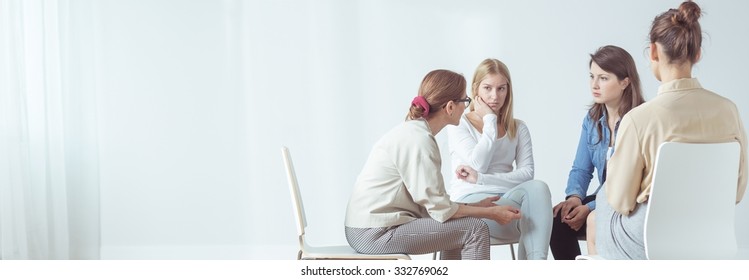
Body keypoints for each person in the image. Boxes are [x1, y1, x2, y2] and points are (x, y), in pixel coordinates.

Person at [588, 0, 747, 259]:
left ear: (652, 52)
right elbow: (737, 192)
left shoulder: (639, 119)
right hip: (712, 236)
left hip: (651, 242)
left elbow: (621, 202)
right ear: (697, 54)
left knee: (606, 198)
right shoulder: (729, 110)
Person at [344, 69, 522, 260]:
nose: (466, 108)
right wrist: (490, 213)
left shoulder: (416, 133)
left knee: (461, 226)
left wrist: (475, 205)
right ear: (450, 107)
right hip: (374, 233)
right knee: (474, 229)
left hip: (369, 227)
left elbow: (436, 204)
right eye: (465, 101)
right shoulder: (419, 141)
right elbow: (441, 210)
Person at [447, 58, 552, 260]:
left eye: (501, 89)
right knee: (534, 217)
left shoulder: (519, 128)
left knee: (538, 188)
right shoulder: (459, 124)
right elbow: (479, 163)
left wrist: (481, 178)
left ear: (508, 90)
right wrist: (489, 120)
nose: (495, 96)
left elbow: (527, 175)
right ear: (476, 89)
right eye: (487, 88)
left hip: (510, 209)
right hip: (472, 207)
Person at [549, 45, 645, 260]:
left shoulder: (640, 118)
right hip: (604, 194)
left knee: (593, 216)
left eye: (603, 78)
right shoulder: (591, 120)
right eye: (592, 76)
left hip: (631, 199)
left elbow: (633, 181)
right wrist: (574, 198)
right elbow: (581, 169)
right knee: (557, 220)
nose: (594, 84)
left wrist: (591, 207)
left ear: (625, 82)